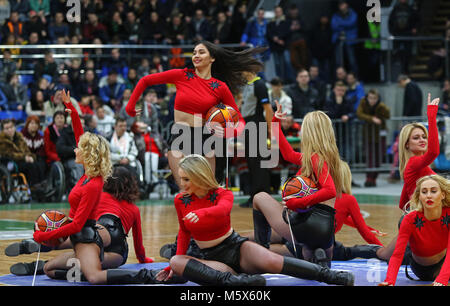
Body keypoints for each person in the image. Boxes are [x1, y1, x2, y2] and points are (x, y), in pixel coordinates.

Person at [155, 154, 354, 286]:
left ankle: (330, 276)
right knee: (175, 261)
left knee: (273, 260)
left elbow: (221, 210)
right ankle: (239, 282)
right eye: (180, 179)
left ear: (199, 177)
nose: (182, 184)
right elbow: (184, 232)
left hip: (235, 247)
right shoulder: (180, 200)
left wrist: (201, 214)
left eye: (186, 179)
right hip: (209, 258)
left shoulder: (222, 193)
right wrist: (170, 267)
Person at [125, 41, 264, 189]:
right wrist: (130, 107)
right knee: (186, 192)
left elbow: (239, 120)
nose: (196, 55)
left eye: (201, 52)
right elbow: (145, 80)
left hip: (207, 139)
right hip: (180, 136)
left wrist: (229, 131)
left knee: (207, 192)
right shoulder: (181, 75)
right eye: (194, 52)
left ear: (212, 58)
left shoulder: (220, 87)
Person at [7, 166, 168, 285]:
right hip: (117, 250)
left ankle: (47, 247)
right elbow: (138, 245)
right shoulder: (134, 209)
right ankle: (45, 263)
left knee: (80, 239)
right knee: (77, 255)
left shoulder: (98, 194)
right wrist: (144, 259)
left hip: (96, 234)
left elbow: (78, 219)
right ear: (131, 185)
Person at [252, 101, 344, 267]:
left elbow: (329, 190)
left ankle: (261, 252)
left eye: (303, 128)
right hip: (326, 229)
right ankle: (316, 254)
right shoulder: (329, 160)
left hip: (307, 223)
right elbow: (287, 153)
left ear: (309, 133)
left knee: (259, 198)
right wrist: (275, 123)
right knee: (308, 254)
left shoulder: (315, 159)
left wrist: (297, 202)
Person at [379, 175, 450, 286]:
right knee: (382, 254)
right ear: (419, 197)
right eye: (424, 192)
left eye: (434, 191)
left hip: (444, 259)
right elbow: (397, 255)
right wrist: (389, 281)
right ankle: (351, 251)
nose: (429, 196)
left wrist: (443, 279)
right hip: (423, 269)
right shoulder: (409, 219)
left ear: (443, 195)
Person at [398, 93, 440, 211]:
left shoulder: (413, 166)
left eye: (424, 136)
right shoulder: (413, 163)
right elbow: (433, 152)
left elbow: (402, 203)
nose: (422, 140)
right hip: (425, 216)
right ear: (406, 144)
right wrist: (431, 116)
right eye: (416, 138)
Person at [0, 118, 47, 195]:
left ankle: (42, 185)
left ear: (14, 128)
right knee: (30, 166)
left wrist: (31, 157)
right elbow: (9, 154)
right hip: (11, 164)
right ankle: (34, 187)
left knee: (39, 163)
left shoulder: (19, 137)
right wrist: (24, 158)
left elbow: (27, 150)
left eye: (11, 127)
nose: (10, 130)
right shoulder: (1, 141)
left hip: (23, 161)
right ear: (3, 130)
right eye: (7, 128)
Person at [356, 89, 391, 187]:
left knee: (379, 157)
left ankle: (374, 178)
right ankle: (369, 178)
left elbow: (388, 114)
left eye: (375, 98)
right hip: (368, 134)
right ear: (367, 97)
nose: (372, 100)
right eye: (370, 98)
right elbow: (359, 114)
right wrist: (372, 119)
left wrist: (381, 107)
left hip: (380, 134)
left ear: (378, 98)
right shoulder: (363, 103)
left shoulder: (381, 106)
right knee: (370, 157)